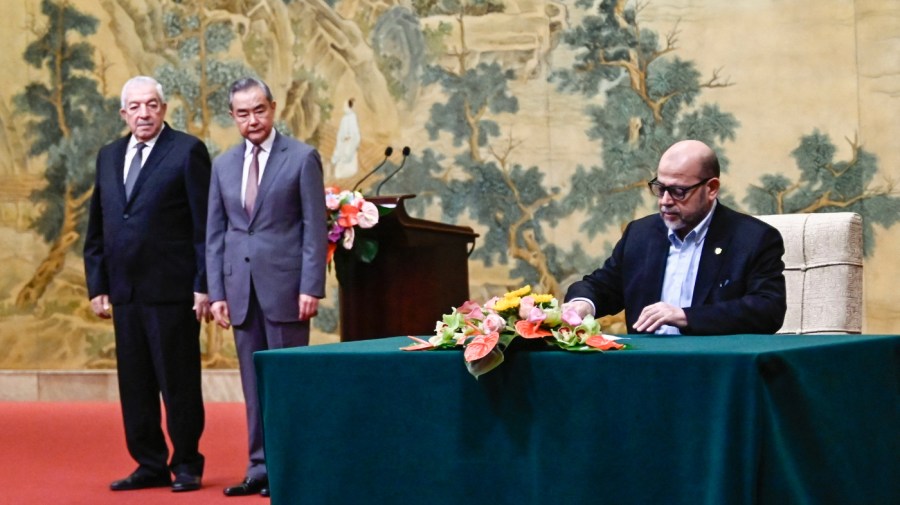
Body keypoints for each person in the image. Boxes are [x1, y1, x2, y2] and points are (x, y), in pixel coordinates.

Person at [83, 76, 211, 492]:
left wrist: (203, 284)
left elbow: (203, 225)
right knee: (134, 384)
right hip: (125, 291)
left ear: (163, 109)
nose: (144, 113)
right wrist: (97, 283)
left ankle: (187, 463)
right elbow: (98, 225)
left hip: (173, 292)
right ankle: (149, 463)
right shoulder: (108, 155)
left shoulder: (187, 151)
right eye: (135, 106)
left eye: (152, 104)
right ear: (123, 113)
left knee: (178, 382)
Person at [206, 77, 328, 497]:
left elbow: (316, 228)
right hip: (240, 291)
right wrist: (217, 292)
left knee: (287, 384)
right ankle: (259, 467)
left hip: (288, 290)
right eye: (243, 113)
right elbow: (215, 234)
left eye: (259, 110)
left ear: (273, 109)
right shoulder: (222, 165)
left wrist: (311, 285)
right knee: (253, 384)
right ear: (233, 117)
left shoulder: (302, 157)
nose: (252, 120)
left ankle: (292, 467)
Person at [564, 139, 786, 335]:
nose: (665, 201)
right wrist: (583, 304)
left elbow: (767, 309)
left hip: (712, 365)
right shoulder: (640, 234)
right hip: (644, 365)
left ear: (711, 188)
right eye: (661, 188)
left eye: (678, 191)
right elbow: (602, 286)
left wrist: (686, 316)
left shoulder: (753, 239)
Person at [331, 98, 361, 179]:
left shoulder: (352, 117)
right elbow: (342, 132)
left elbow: (354, 133)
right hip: (343, 143)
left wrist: (351, 140)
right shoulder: (346, 118)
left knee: (348, 165)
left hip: (348, 144)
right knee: (340, 163)